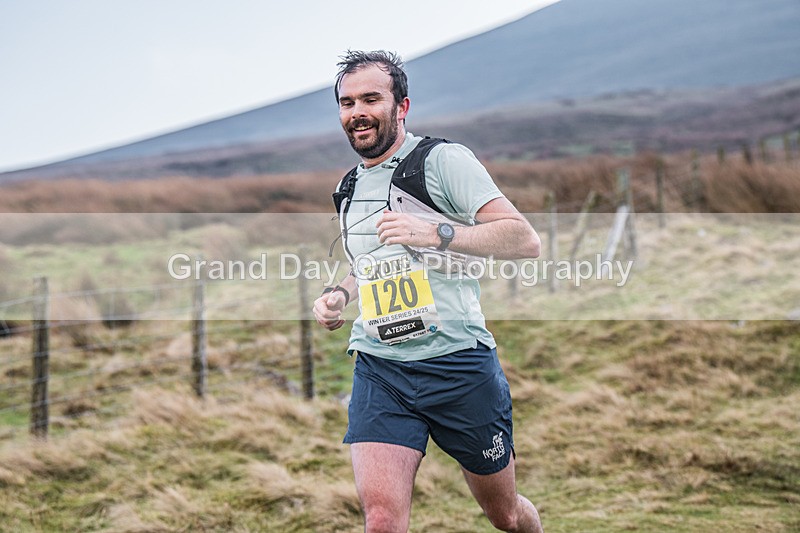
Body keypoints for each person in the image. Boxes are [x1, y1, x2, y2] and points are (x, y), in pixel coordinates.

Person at [313, 50, 544, 533]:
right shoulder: (349, 186)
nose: (357, 112)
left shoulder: (442, 161)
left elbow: (524, 240)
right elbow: (371, 264)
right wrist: (340, 295)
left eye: (371, 99)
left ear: (401, 106)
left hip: (457, 365)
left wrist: (437, 232)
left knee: (505, 516)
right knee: (380, 521)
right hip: (381, 367)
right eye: (347, 102)